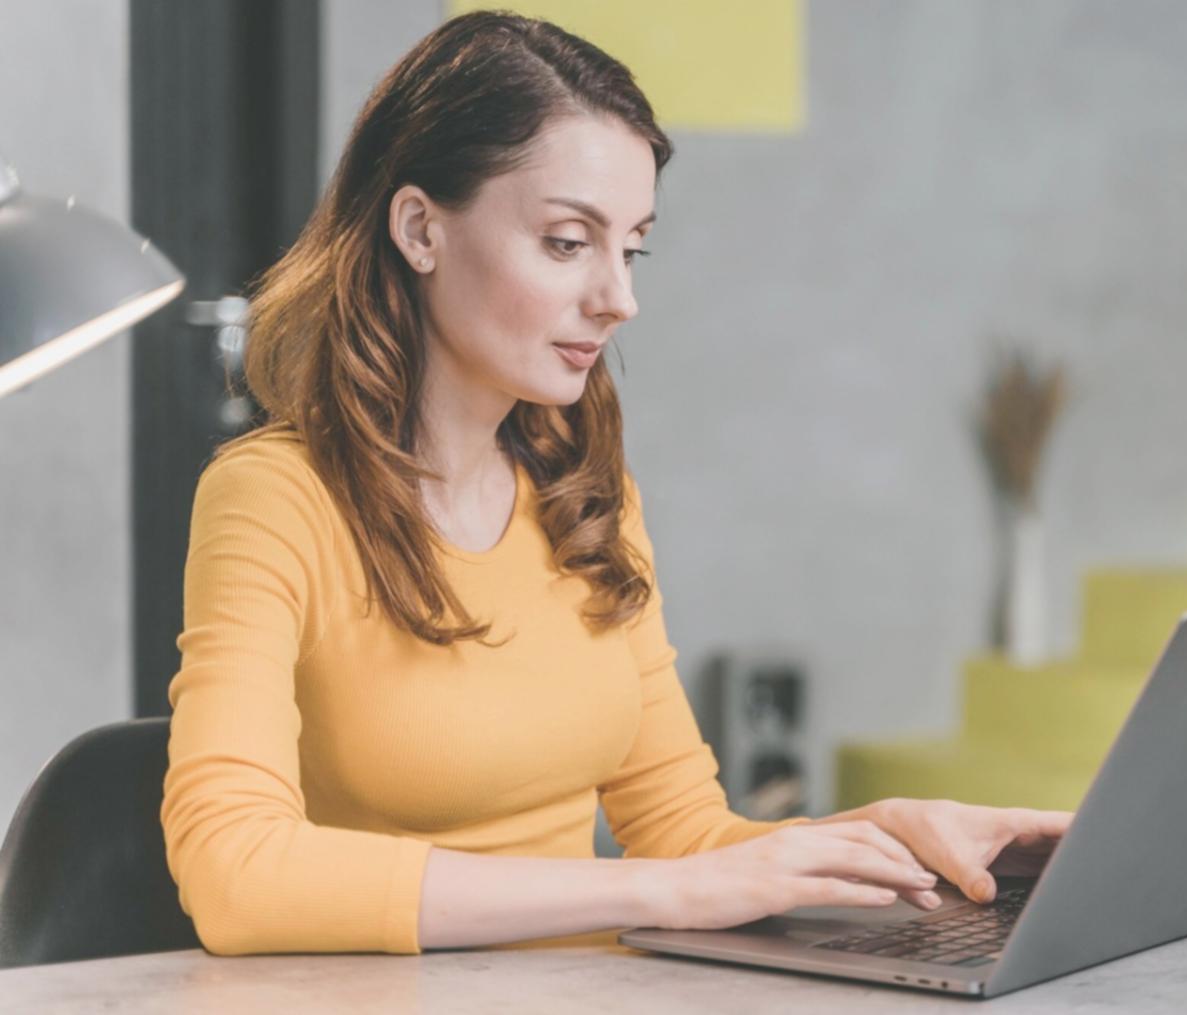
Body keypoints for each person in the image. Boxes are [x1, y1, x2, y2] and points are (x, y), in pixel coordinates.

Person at [160, 9, 1071, 957]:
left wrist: (885, 837)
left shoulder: (584, 495)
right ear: (420, 228)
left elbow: (687, 837)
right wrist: (658, 888)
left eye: (630, 247)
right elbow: (237, 875)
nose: (618, 297)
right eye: (566, 242)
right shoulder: (276, 498)